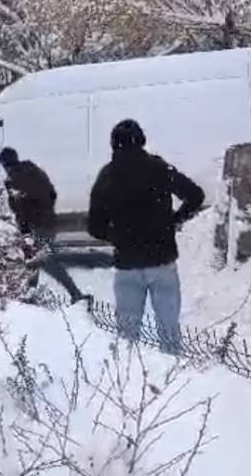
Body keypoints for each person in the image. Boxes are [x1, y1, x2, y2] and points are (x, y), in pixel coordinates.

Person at [87, 119, 204, 353]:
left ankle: (128, 382)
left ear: (114, 145)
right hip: (162, 260)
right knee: (169, 330)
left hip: (127, 265)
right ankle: (172, 377)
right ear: (141, 141)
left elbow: (94, 226)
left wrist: (119, 236)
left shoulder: (107, 175)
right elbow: (195, 195)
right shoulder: (159, 168)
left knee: (127, 336)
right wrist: (174, 220)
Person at [0, 147, 90, 305]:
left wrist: (27, 225)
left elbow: (19, 207)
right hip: (47, 223)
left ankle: (75, 294)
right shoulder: (36, 171)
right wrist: (44, 211)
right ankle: (30, 295)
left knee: (45, 262)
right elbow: (52, 194)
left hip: (33, 227)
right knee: (34, 262)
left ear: (5, 164)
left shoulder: (13, 180)